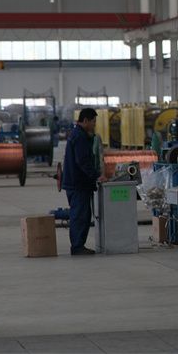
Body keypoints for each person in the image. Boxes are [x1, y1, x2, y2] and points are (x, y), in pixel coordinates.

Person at [61, 108, 106, 256]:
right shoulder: (80, 137)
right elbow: (83, 161)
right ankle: (77, 246)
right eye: (93, 122)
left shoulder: (79, 134)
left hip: (77, 183)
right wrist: (96, 176)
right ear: (85, 120)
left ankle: (78, 245)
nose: (94, 125)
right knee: (80, 216)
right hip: (78, 184)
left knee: (83, 215)